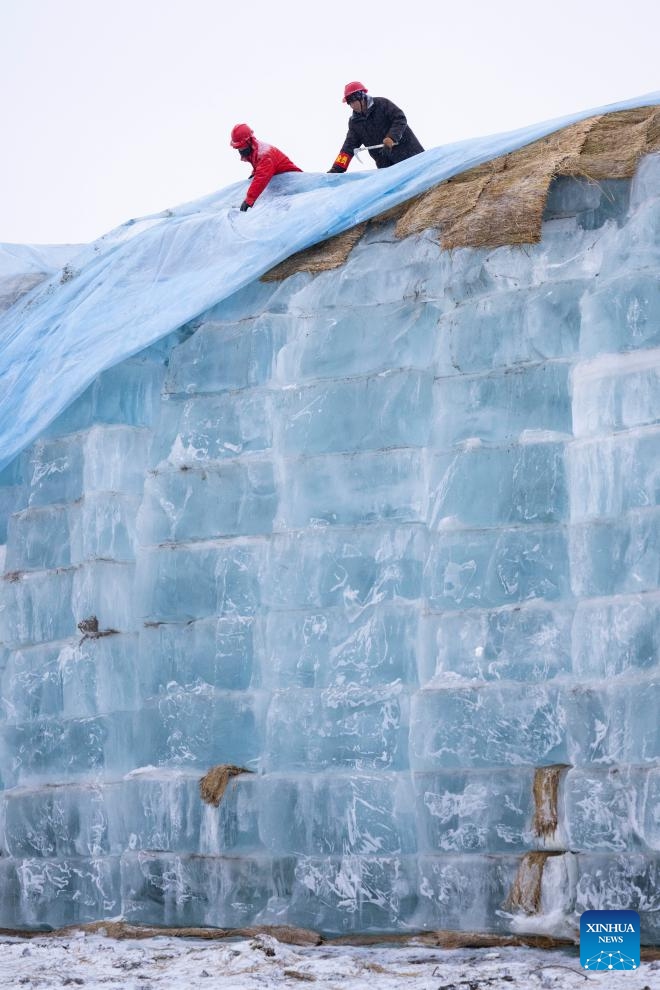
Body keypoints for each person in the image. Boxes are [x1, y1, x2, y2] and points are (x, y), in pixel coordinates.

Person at [328, 81, 424, 173]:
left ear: (361, 96)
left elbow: (400, 119)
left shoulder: (382, 104)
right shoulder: (355, 123)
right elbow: (348, 147)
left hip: (410, 155)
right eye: (349, 103)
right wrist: (336, 169)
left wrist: (391, 137)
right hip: (387, 167)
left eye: (353, 102)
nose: (352, 106)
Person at [230, 124, 302, 211]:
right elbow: (259, 168)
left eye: (241, 146)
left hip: (294, 187)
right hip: (282, 187)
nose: (240, 150)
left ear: (249, 141)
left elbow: (262, 177)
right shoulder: (255, 151)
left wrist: (249, 199)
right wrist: (254, 173)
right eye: (238, 148)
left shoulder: (264, 154)